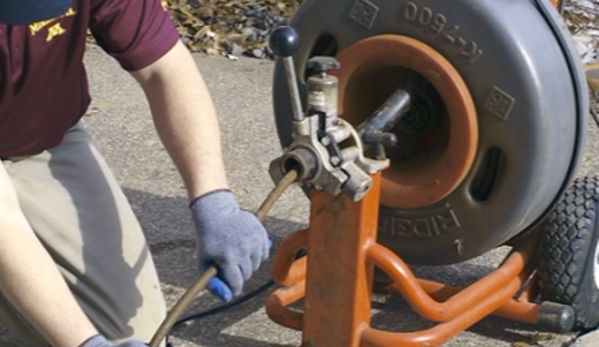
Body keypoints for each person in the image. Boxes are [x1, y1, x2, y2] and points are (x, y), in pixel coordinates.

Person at [0, 0, 270, 346]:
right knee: (68, 328)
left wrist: (214, 204)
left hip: (44, 139)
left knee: (133, 334)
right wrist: (83, 343)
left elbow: (165, 69)